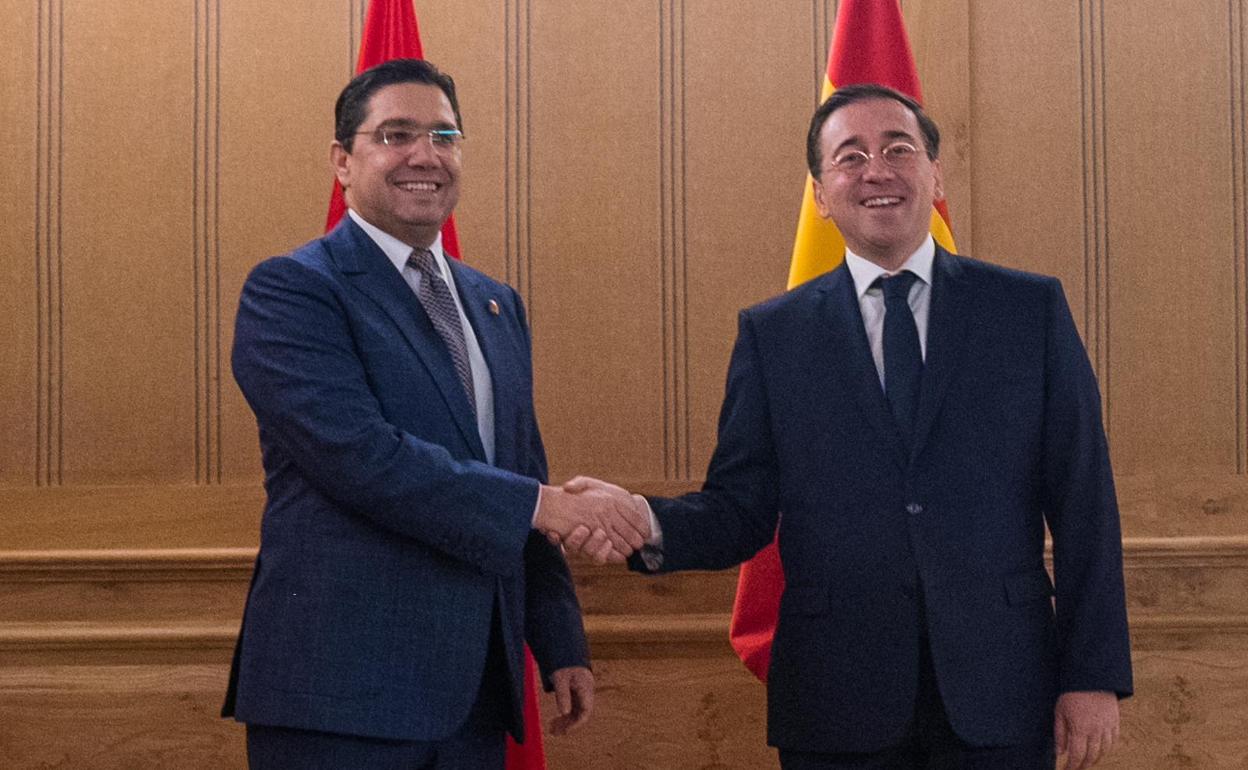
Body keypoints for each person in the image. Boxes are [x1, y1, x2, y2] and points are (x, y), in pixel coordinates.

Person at [561, 84, 1132, 769]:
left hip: (1004, 689)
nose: (877, 171)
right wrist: (642, 522)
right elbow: (741, 509)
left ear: (935, 173)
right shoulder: (774, 335)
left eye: (899, 149)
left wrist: (1092, 673)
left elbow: (1084, 503)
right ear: (822, 195)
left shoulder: (1027, 310)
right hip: (836, 700)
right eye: (850, 156)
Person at [222, 58, 648, 769]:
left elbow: (521, 470)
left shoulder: (495, 303)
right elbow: (364, 458)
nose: (425, 155)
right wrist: (543, 506)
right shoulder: (293, 291)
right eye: (395, 135)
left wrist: (560, 639)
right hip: (340, 697)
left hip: (475, 693)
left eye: (445, 136)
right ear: (343, 161)